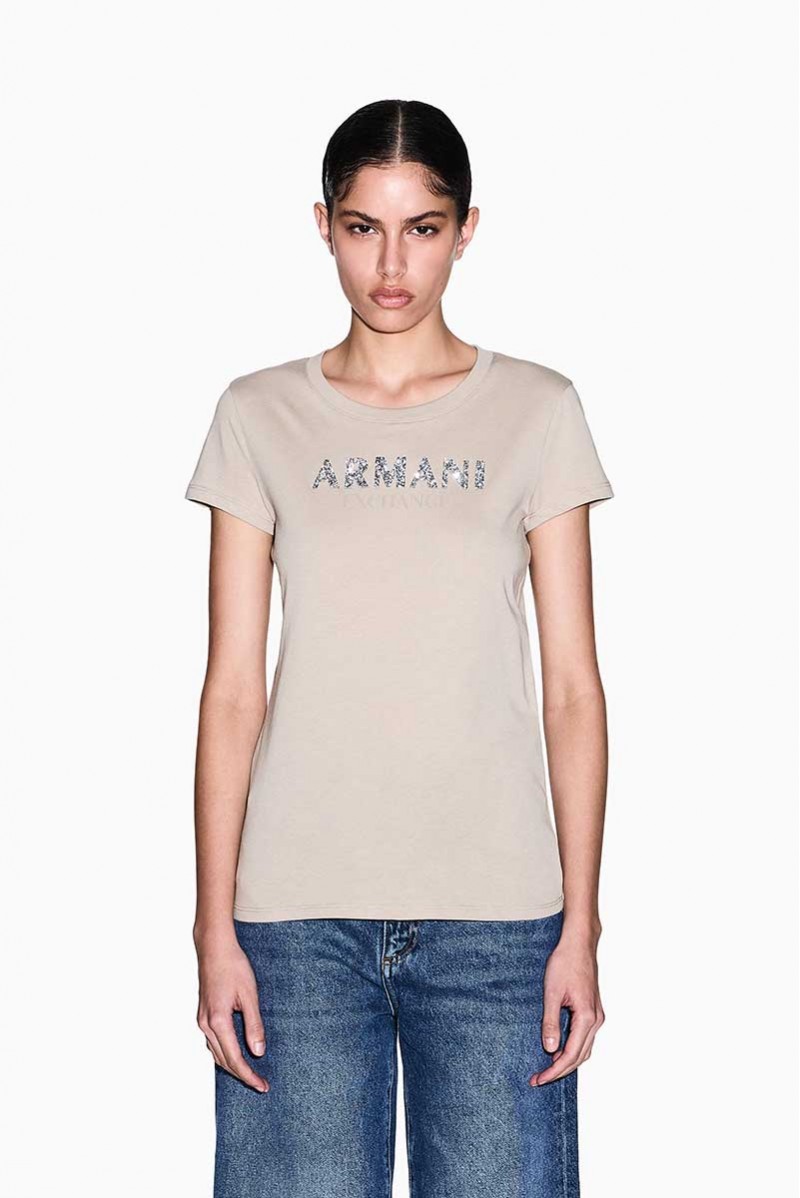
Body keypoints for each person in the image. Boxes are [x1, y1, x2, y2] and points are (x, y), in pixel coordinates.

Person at [184, 98, 614, 1198]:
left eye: (421, 228)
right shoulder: (257, 414)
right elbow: (231, 691)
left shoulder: (537, 409)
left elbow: (572, 688)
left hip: (499, 926)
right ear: (322, 226)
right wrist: (212, 926)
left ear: (465, 229)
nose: (390, 264)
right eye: (363, 227)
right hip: (293, 928)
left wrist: (581, 923)